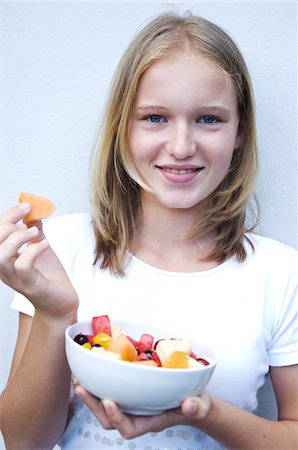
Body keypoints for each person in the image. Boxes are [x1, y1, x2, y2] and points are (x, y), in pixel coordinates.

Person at [0, 12, 297, 450]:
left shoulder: (280, 272)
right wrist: (54, 315)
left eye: (209, 119)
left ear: (240, 132)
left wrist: (207, 412)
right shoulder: (58, 248)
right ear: (123, 126)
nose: (180, 147)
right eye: (155, 118)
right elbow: (24, 442)